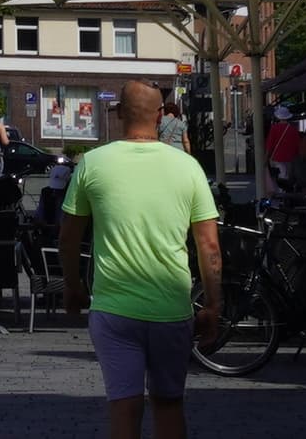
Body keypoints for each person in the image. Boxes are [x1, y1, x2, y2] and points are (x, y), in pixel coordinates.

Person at [60, 79, 221, 439]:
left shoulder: (92, 164)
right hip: (172, 310)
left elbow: (68, 238)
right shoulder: (188, 167)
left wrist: (72, 286)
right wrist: (212, 304)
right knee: (169, 405)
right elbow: (209, 246)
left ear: (118, 114)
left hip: (114, 310)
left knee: (124, 406)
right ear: (161, 116)